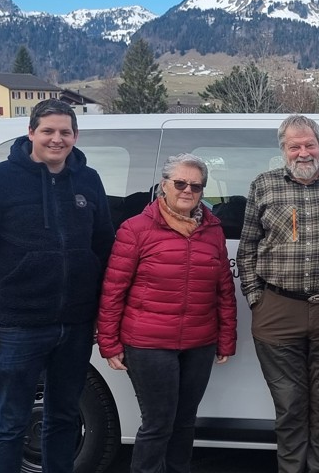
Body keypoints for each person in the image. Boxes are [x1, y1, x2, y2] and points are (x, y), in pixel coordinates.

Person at [0, 98, 115, 473]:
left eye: (65, 132)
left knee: (63, 419)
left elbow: (104, 248)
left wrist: (99, 312)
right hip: (16, 325)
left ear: (75, 135)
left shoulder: (88, 181)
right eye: (48, 131)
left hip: (74, 325)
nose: (57, 139)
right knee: (11, 422)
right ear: (31, 133)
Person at [237, 114, 319, 473]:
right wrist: (255, 298)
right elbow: (247, 248)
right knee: (290, 405)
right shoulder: (263, 186)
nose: (303, 152)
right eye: (294, 146)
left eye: (309, 144)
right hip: (277, 311)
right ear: (283, 150)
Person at [97, 153, 237, 473]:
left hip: (199, 342)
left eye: (196, 185)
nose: (187, 190)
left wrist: (226, 338)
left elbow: (224, 290)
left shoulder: (212, 230)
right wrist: (109, 342)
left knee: (185, 422)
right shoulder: (136, 229)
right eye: (180, 183)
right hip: (148, 343)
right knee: (158, 423)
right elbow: (113, 290)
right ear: (164, 185)